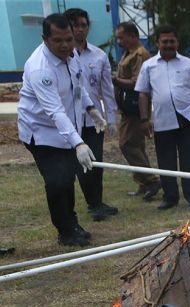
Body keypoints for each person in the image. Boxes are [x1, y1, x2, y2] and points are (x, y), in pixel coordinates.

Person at [17, 14, 104, 246]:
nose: (65, 45)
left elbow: (78, 85)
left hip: (66, 128)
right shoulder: (40, 69)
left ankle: (72, 223)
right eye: (58, 40)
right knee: (57, 180)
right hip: (41, 131)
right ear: (45, 39)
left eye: (68, 39)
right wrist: (79, 143)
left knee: (68, 177)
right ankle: (65, 231)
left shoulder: (71, 53)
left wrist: (91, 108)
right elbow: (54, 111)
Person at [135, 25, 190, 210]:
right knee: (165, 161)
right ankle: (170, 197)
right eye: (164, 41)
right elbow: (143, 94)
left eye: (172, 41)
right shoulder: (149, 66)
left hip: (187, 118)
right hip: (162, 120)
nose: (168, 45)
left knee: (189, 159)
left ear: (177, 43)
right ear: (158, 43)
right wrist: (144, 120)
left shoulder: (188, 64)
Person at [64, 8, 118, 222]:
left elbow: (107, 90)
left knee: (97, 162)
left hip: (94, 119)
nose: (80, 29)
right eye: (76, 25)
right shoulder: (64, 55)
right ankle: (92, 203)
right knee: (81, 164)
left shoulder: (99, 55)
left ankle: (98, 201)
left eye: (84, 25)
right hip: (71, 121)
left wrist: (111, 119)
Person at [112, 22, 161, 201]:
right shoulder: (128, 53)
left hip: (135, 107)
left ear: (133, 36)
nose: (119, 41)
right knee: (136, 145)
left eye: (121, 37)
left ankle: (151, 180)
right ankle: (143, 182)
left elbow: (137, 83)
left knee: (126, 144)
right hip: (127, 106)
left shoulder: (141, 55)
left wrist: (115, 81)